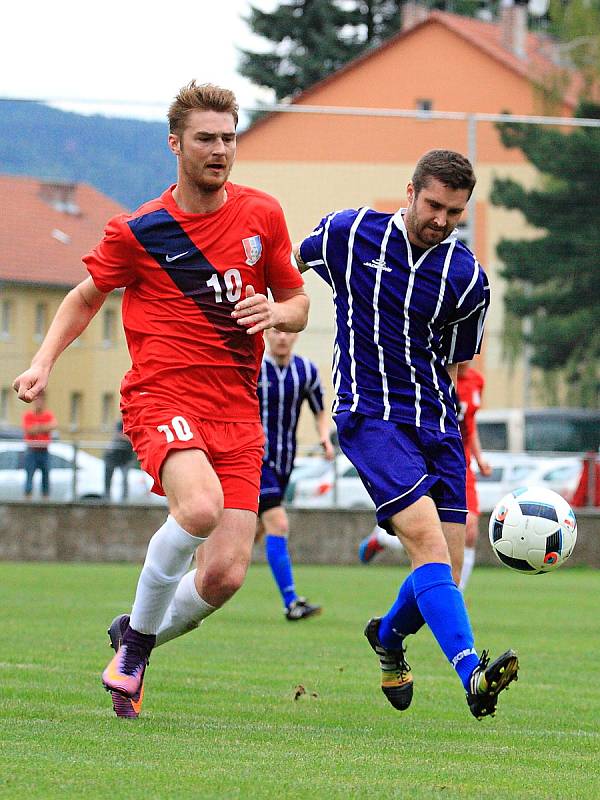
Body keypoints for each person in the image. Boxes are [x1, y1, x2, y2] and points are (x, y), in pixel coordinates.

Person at [13, 81, 308, 719]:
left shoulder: (263, 215)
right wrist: (42, 362)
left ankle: (132, 637)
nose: (221, 149)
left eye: (229, 137)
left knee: (225, 575)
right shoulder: (141, 229)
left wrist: (276, 310)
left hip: (238, 410)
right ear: (175, 144)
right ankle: (139, 647)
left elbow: (300, 304)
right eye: (206, 138)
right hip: (161, 396)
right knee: (197, 509)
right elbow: (84, 297)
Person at [293, 149, 518, 720]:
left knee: (440, 558)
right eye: (434, 205)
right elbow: (287, 263)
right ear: (412, 190)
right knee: (424, 541)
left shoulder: (467, 277)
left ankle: (388, 638)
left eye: (455, 212)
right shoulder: (350, 233)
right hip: (369, 414)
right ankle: (473, 674)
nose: (441, 220)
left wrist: (460, 435)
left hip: (437, 422)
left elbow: (457, 362)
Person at [358, 360, 492, 594]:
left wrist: (479, 457)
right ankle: (382, 539)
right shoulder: (433, 370)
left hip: (461, 462)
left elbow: (470, 424)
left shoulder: (477, 381)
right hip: (432, 454)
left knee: (469, 529)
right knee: (429, 534)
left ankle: (454, 595)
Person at [256, 328, 335, 620]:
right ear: (266, 335)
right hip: (255, 459)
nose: (281, 338)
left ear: (296, 336)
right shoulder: (254, 368)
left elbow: (319, 411)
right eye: (275, 332)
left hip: (285, 462)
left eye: (286, 332)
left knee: (249, 534)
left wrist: (325, 438)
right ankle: (292, 602)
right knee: (277, 522)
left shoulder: (306, 371)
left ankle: (204, 577)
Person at [21, 392, 57, 499]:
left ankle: (45, 500)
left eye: (41, 400)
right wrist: (43, 428)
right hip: (31, 450)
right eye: (37, 400)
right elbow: (29, 430)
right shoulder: (28, 415)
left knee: (46, 476)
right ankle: (27, 500)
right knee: (29, 476)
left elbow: (54, 425)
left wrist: (37, 427)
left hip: (44, 450)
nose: (39, 402)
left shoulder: (48, 415)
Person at [103, 419, 135, 501]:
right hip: (114, 456)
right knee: (108, 477)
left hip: (126, 457)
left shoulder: (133, 424)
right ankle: (107, 496)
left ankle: (124, 498)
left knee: (125, 478)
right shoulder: (120, 424)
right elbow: (119, 435)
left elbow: (133, 437)